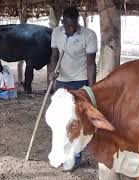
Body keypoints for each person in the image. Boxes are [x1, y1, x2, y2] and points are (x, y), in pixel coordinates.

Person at [48, 6, 98, 171]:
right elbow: (54, 56)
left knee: (75, 122)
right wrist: (51, 73)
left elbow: (91, 63)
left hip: (79, 81)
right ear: (63, 22)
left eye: (73, 25)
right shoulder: (56, 33)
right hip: (61, 81)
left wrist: (91, 87)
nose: (71, 29)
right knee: (61, 120)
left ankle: (75, 157)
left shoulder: (89, 35)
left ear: (78, 21)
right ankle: (60, 152)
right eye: (68, 26)